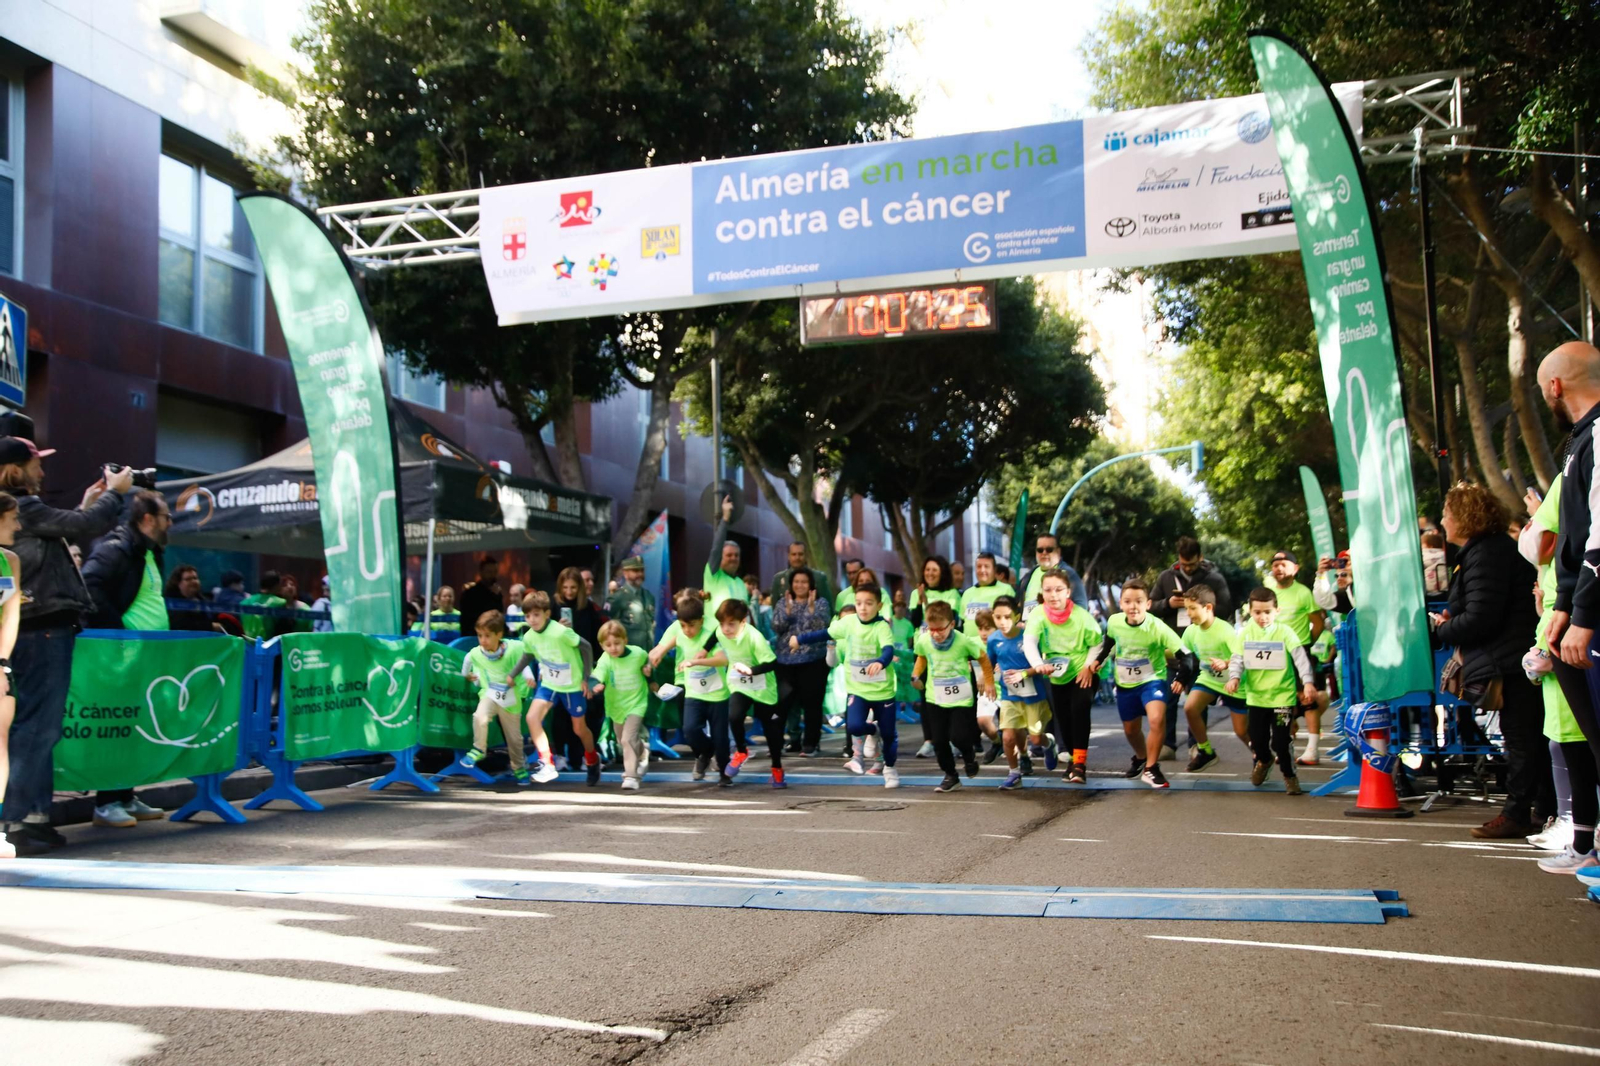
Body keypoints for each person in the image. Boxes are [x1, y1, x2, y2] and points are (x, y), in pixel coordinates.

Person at [2, 442, 132, 855]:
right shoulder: (24, 508)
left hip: (35, 627)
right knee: (38, 728)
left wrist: (88, 504)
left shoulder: (27, 510)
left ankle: (32, 819)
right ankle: (16, 822)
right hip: (41, 629)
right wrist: (114, 492)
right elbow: (86, 526)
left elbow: (72, 524)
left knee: (33, 727)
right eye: (37, 464)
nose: (42, 473)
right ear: (16, 469)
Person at [1431, 481, 1554, 842]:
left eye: (1447, 514)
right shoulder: (1485, 551)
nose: (1442, 521)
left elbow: (1483, 617)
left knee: (1523, 740)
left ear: (1465, 518)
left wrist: (1446, 628)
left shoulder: (1487, 553)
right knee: (1528, 739)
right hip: (1511, 657)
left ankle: (1519, 813)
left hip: (1511, 661)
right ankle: (1541, 810)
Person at [82, 489, 179, 829]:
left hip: (145, 657)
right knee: (116, 727)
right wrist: (118, 633)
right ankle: (106, 802)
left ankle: (124, 794)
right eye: (166, 516)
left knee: (133, 727)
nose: (171, 522)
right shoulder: (117, 549)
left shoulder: (150, 553)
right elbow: (89, 586)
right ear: (148, 519)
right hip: (120, 656)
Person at [1537, 342, 1600, 863]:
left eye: (1543, 390)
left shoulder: (1599, 434)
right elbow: (1576, 538)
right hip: (1575, 612)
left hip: (1593, 619)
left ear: (1556, 386)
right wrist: (1562, 607)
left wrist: (1582, 614)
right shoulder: (1579, 442)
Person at [1519, 476, 1594, 863]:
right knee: (1565, 746)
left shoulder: (1573, 474)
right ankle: (1576, 833)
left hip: (1572, 635)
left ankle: (1582, 840)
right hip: (1558, 634)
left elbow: (1539, 544)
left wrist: (1536, 517)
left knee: (1581, 749)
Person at [791, 581, 900, 786]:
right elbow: (824, 633)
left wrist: (880, 662)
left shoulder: (881, 627)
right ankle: (872, 731)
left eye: (869, 603)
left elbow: (888, 650)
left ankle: (890, 768)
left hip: (882, 691)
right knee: (855, 726)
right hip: (858, 689)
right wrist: (800, 639)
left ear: (879, 605)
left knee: (888, 733)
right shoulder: (849, 623)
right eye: (859, 603)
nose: (863, 608)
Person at [1081, 577, 1184, 788]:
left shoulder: (1158, 627)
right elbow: (1109, 641)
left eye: (1138, 601)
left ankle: (1151, 768)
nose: (1133, 606)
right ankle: (1141, 757)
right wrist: (1098, 661)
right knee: (1130, 730)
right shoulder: (1115, 622)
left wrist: (1181, 678)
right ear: (1121, 604)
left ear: (1147, 604)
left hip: (1152, 680)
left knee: (1156, 719)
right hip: (1126, 684)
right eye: (1128, 601)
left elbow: (1186, 655)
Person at [1227, 587, 1318, 795]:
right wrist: (1234, 677)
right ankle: (1264, 760)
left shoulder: (1284, 632)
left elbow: (1300, 658)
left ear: (1277, 611)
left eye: (1267, 612)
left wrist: (1308, 682)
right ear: (1250, 611)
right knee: (1257, 741)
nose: (1263, 617)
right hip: (1257, 698)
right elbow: (1237, 658)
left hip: (1282, 698)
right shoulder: (1245, 633)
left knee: (1280, 741)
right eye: (1258, 612)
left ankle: (1289, 776)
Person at [1021, 568, 1103, 784]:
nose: (1053, 595)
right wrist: (1038, 664)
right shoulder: (1038, 614)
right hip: (1057, 673)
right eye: (1048, 590)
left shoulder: (1082, 617)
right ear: (1042, 592)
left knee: (1079, 710)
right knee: (1063, 718)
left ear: (1068, 592)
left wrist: (1088, 667)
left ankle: (1079, 765)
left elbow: (1098, 644)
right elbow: (1029, 641)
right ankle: (1072, 762)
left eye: (1058, 589)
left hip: (1082, 670)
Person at [460, 610, 556, 785]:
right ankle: (479, 748)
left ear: (499, 634)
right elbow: (466, 662)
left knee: (514, 738)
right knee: (480, 716)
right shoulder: (476, 652)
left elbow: (523, 661)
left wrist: (529, 677)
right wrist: (467, 676)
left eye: (487, 636)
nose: (483, 640)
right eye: (480, 635)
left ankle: (519, 767)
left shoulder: (513, 649)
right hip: (489, 694)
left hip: (510, 699)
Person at [650, 594, 734, 785]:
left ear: (701, 621)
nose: (687, 630)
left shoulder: (710, 635)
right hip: (694, 693)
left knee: (721, 736)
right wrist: (658, 655)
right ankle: (706, 752)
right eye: (683, 625)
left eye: (692, 625)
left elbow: (723, 659)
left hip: (717, 694)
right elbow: (667, 643)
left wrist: (696, 661)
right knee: (690, 729)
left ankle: (724, 774)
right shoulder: (680, 633)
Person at [912, 599, 995, 792]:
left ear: (952, 624)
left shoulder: (963, 641)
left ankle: (969, 757)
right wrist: (915, 675)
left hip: (961, 698)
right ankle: (951, 775)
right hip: (936, 697)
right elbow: (921, 657)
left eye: (940, 629)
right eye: (931, 629)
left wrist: (989, 681)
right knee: (939, 741)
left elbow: (983, 658)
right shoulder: (924, 640)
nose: (936, 634)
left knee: (959, 737)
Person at [521, 588, 600, 785]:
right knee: (532, 718)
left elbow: (587, 647)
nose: (532, 619)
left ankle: (592, 759)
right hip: (549, 684)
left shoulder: (561, 632)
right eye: (528, 615)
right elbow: (528, 655)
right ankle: (547, 763)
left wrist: (586, 677)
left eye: (536, 614)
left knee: (579, 729)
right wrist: (513, 674)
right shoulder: (529, 636)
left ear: (547, 614)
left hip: (572, 685)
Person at [1170, 585, 1246, 772]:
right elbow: (1181, 654)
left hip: (1233, 682)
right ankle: (1205, 751)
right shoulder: (1191, 632)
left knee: (1242, 731)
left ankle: (1260, 755)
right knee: (1190, 707)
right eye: (1186, 608)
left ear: (1208, 608)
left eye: (1193, 608)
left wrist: (1226, 663)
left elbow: (1240, 654)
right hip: (1209, 679)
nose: (1188, 613)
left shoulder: (1225, 630)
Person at [1264, 551, 1328, 766]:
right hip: (1272, 653)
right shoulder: (1267, 592)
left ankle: (1312, 749)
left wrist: (1304, 644)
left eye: (1283, 564)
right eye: (1275, 565)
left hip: (1299, 650)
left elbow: (1317, 623)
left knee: (1308, 699)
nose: (1278, 568)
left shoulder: (1303, 593)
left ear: (1295, 568)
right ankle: (1284, 742)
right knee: (1279, 701)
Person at [716, 600, 785, 788]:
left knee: (771, 730)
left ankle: (777, 769)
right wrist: (704, 650)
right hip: (740, 684)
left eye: (731, 624)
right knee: (734, 716)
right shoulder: (720, 632)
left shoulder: (755, 637)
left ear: (743, 622)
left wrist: (751, 671)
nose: (725, 629)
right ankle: (741, 751)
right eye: (722, 624)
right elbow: (713, 637)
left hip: (763, 686)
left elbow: (772, 663)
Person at [987, 595, 1050, 789]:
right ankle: (1014, 774)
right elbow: (988, 664)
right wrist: (988, 682)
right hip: (1010, 696)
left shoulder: (1029, 636)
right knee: (1007, 737)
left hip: (1034, 696)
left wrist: (1024, 673)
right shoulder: (993, 639)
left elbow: (1042, 664)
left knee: (1037, 738)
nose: (1003, 622)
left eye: (1007, 617)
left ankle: (1050, 745)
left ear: (1016, 615)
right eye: (998, 617)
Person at [770, 569, 831, 757]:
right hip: (785, 661)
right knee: (781, 704)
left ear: (811, 584)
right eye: (796, 582)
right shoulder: (783, 602)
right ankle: (776, 743)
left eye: (804, 582)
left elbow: (824, 627)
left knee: (812, 704)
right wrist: (787, 612)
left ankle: (810, 744)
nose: (800, 585)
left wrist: (811, 611)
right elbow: (776, 626)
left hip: (813, 661)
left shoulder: (821, 603)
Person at [589, 619, 654, 790]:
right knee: (622, 740)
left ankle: (631, 776)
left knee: (627, 739)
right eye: (608, 645)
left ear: (625, 640)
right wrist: (596, 684)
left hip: (637, 703)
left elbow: (647, 662)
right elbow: (598, 674)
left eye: (617, 643)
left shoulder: (638, 653)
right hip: (616, 706)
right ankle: (643, 751)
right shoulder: (605, 659)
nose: (613, 648)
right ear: (602, 646)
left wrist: (649, 672)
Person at [0, 495, 22, 857]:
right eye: (13, 518)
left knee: (0, 742)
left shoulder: (11, 560)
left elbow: (12, 614)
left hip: (0, 664)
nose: (19, 525)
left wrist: (2, 662)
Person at [1149, 536, 1233, 631]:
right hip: (1174, 639)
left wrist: (1201, 607)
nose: (1188, 568)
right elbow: (1150, 607)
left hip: (1205, 637)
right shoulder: (1165, 577)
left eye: (1192, 564)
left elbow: (1226, 610)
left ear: (1200, 557)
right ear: (1179, 557)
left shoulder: (1215, 579)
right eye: (1184, 564)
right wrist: (1168, 604)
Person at [1017, 532, 1091, 617]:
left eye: (1049, 549)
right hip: (1029, 627)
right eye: (1040, 550)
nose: (1044, 553)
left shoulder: (1068, 574)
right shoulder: (1030, 574)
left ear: (1058, 552)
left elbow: (1081, 607)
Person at [704, 495, 749, 614]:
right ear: (720, 557)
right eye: (729, 555)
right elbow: (716, 548)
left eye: (736, 555)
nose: (733, 558)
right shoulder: (713, 575)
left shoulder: (741, 583)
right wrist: (725, 518)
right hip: (715, 632)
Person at [770, 541, 833, 614]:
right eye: (794, 554)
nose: (797, 558)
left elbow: (829, 610)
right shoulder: (778, 579)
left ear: (806, 556)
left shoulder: (819, 578)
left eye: (800, 554)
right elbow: (775, 610)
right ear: (788, 556)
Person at [609, 557, 657, 650]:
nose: (640, 574)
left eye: (642, 570)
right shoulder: (616, 598)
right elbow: (609, 628)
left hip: (647, 652)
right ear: (625, 573)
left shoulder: (649, 596)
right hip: (628, 653)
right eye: (635, 570)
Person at [958, 552, 1016, 626]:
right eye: (979, 566)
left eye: (986, 566)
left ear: (994, 570)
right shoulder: (967, 593)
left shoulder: (1006, 590)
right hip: (968, 638)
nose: (982, 570)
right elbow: (962, 621)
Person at [457, 557, 504, 639]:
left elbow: (499, 614)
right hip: (474, 636)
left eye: (495, 572)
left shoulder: (497, 593)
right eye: (489, 572)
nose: (492, 575)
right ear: (481, 573)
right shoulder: (470, 593)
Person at [164, 564, 214, 632]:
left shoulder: (204, 601)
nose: (193, 582)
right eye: (188, 579)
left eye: (195, 578)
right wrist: (210, 626)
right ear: (178, 583)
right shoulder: (170, 603)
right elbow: (181, 625)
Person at [1421, 531, 1450, 597]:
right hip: (1444, 590)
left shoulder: (1424, 555)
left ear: (1430, 547)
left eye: (1422, 545)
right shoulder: (1445, 556)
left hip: (1427, 591)